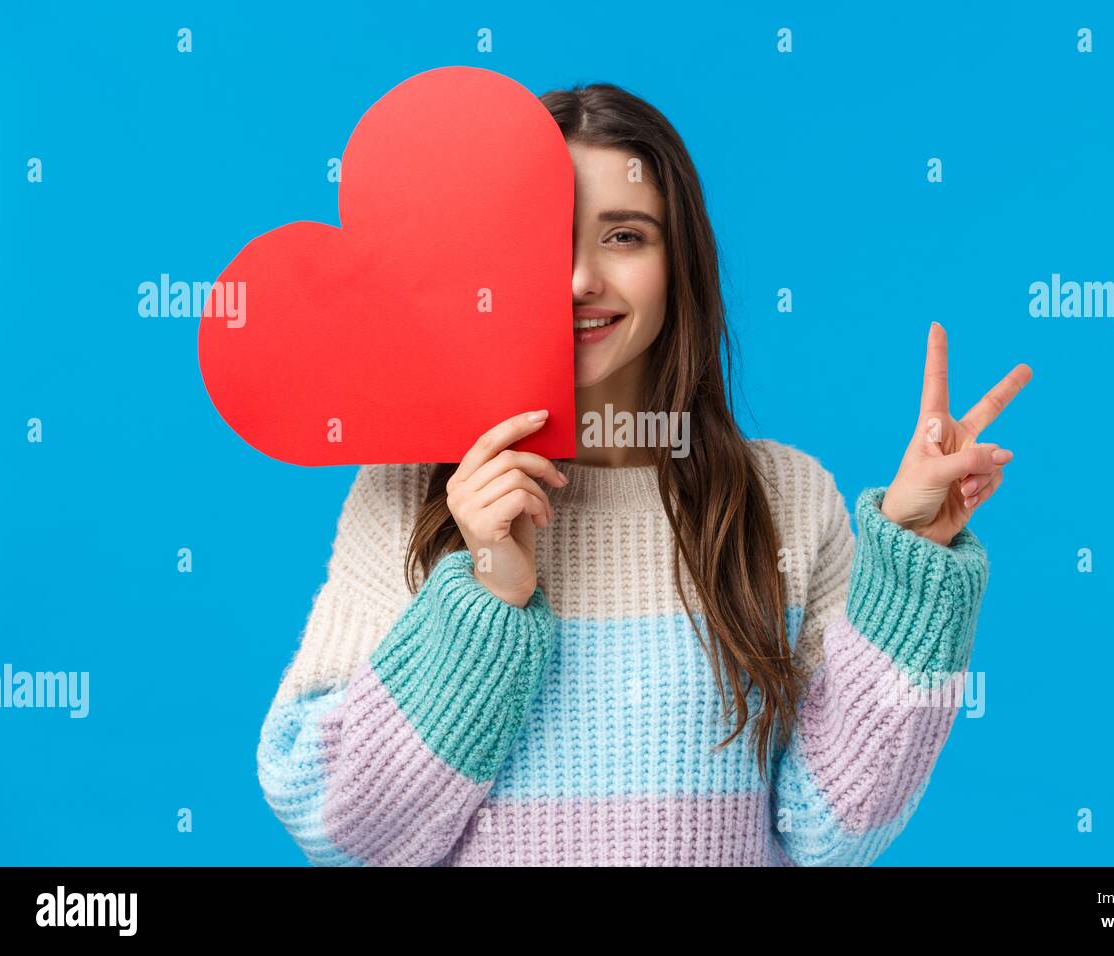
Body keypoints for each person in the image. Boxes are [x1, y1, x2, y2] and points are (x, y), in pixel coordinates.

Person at [255, 81, 1031, 866]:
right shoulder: (410, 494)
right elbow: (339, 829)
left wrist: (914, 554)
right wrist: (485, 593)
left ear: (679, 261)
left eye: (624, 236)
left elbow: (835, 834)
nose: (580, 279)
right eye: (542, 237)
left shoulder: (784, 501)